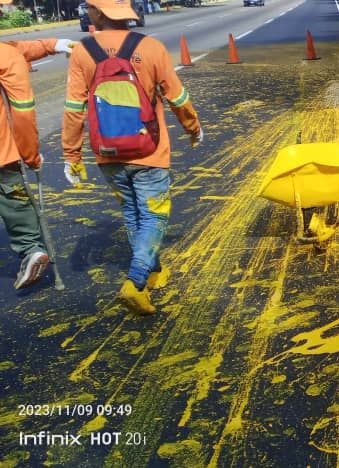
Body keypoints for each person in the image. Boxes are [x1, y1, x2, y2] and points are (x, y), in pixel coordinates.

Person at [62, 0, 202, 314]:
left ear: (98, 13)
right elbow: (177, 96)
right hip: (149, 151)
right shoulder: (150, 47)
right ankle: (136, 282)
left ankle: (153, 271)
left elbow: (74, 110)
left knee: (133, 213)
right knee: (153, 216)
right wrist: (193, 128)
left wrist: (72, 155)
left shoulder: (83, 52)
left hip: (108, 154)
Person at [0, 35, 76, 290]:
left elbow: (17, 49)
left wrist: (50, 45)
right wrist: (30, 155)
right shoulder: (6, 55)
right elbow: (22, 112)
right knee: (14, 199)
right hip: (2, 153)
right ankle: (31, 248)